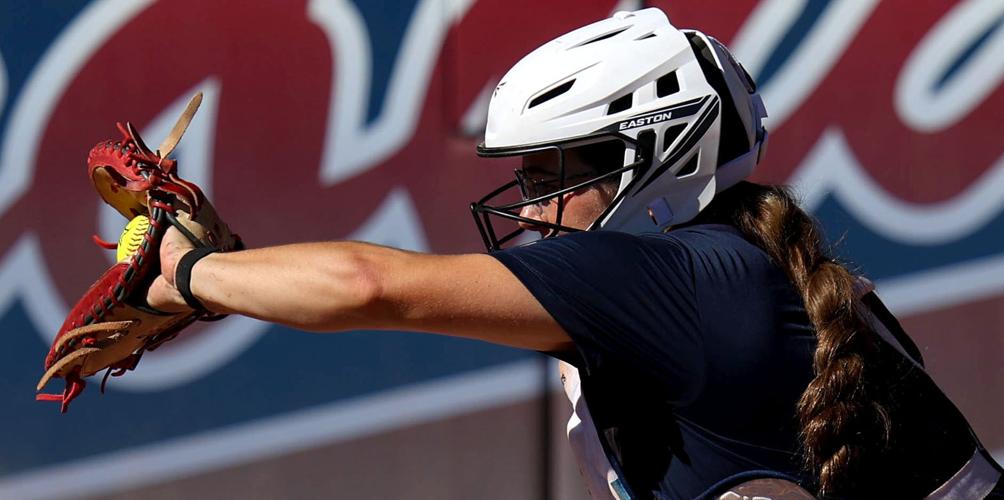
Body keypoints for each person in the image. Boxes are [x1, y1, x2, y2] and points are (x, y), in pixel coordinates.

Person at [147, 8, 1002, 499]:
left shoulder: (679, 282)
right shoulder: (738, 267)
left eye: (553, 172)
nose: (531, 202)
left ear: (660, 154)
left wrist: (188, 274)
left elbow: (370, 286)